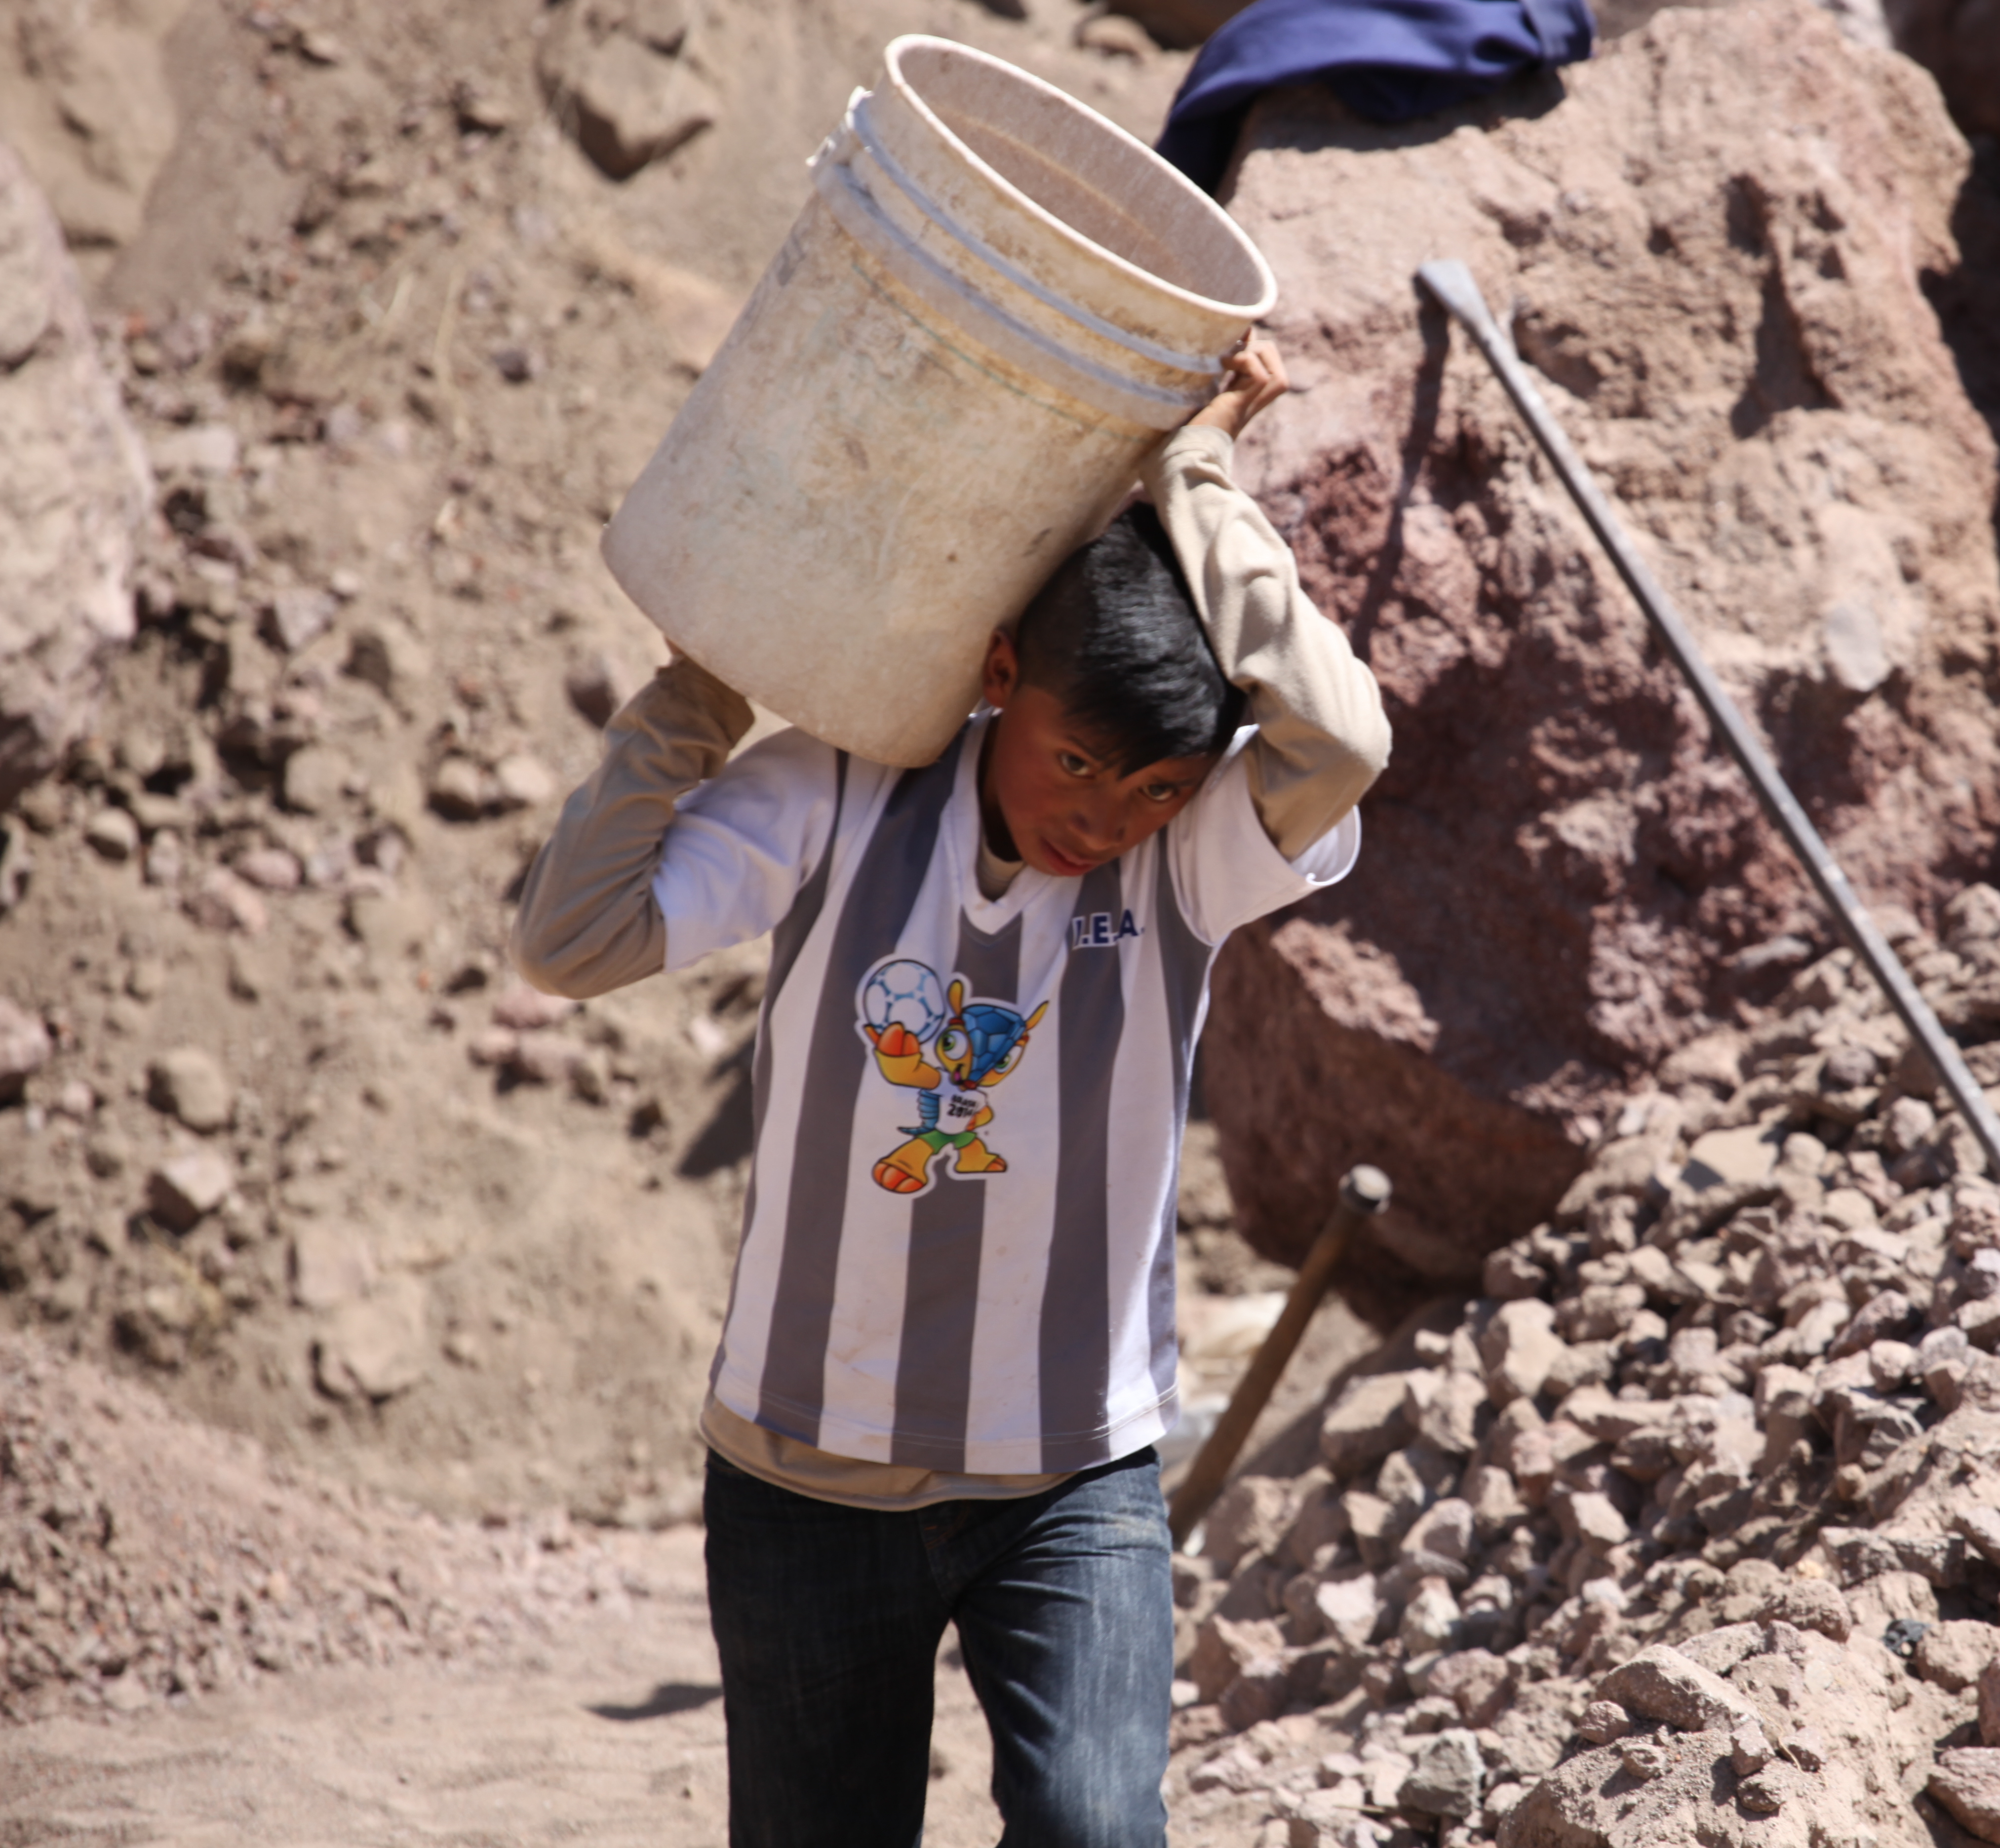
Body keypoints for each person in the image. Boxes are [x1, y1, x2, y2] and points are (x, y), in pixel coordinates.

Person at [511, 336, 1387, 1848]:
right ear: (1000, 680)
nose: (1102, 820)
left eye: (1155, 788)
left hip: (1068, 1474)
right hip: (804, 1475)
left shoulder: (1188, 862)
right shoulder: (841, 796)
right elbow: (570, 941)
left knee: (1100, 1831)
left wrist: (1193, 472)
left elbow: (1345, 738)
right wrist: (712, 680)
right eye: (1080, 763)